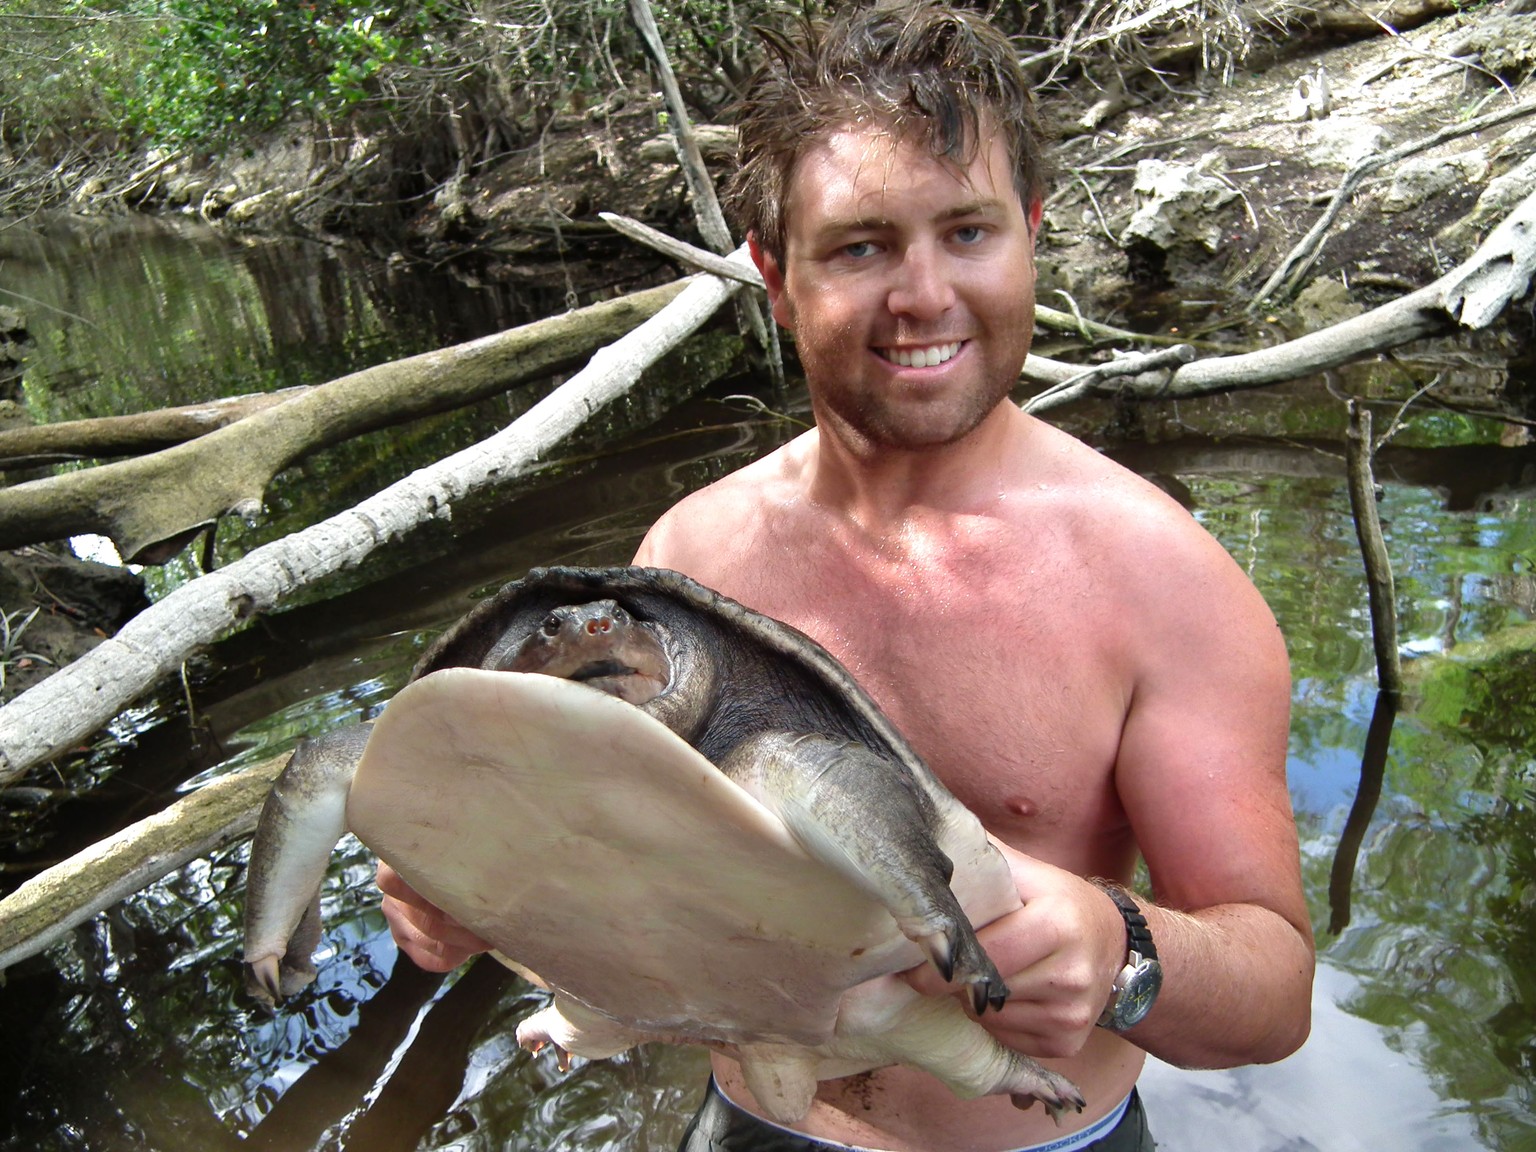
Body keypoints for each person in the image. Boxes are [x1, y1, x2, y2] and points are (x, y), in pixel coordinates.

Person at [377, 2, 1315, 1149]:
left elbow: (1274, 997)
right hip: (750, 1122)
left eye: (967, 232)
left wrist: (1125, 948)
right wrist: (466, 897)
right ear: (775, 275)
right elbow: (598, 864)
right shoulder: (686, 562)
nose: (922, 295)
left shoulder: (1163, 580)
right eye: (861, 246)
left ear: (1029, 230)